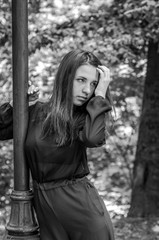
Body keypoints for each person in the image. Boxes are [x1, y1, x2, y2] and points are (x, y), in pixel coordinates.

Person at [0, 50, 115, 240]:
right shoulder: (36, 111)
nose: (87, 90)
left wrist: (100, 96)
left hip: (81, 208)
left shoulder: (85, 118)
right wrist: (17, 104)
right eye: (81, 80)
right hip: (46, 208)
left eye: (93, 84)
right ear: (65, 77)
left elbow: (93, 139)